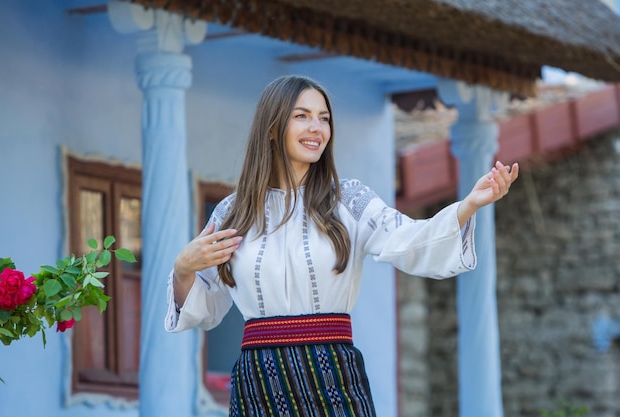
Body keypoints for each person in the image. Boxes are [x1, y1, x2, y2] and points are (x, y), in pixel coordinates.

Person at [165, 75, 519, 416]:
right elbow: (207, 307)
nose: (317, 128)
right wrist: (183, 269)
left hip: (332, 372)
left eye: (324, 118)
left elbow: (411, 239)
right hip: (260, 379)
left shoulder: (348, 200)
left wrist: (469, 204)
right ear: (272, 128)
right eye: (302, 116)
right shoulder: (234, 212)